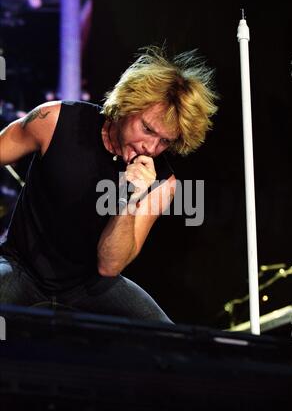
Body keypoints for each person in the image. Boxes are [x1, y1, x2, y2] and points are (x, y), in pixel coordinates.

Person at [0, 46, 217, 323]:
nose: (150, 147)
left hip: (91, 285)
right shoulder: (54, 121)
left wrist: (130, 198)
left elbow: (109, 265)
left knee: (169, 341)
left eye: (165, 141)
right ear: (128, 106)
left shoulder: (163, 184)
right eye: (148, 129)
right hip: (21, 267)